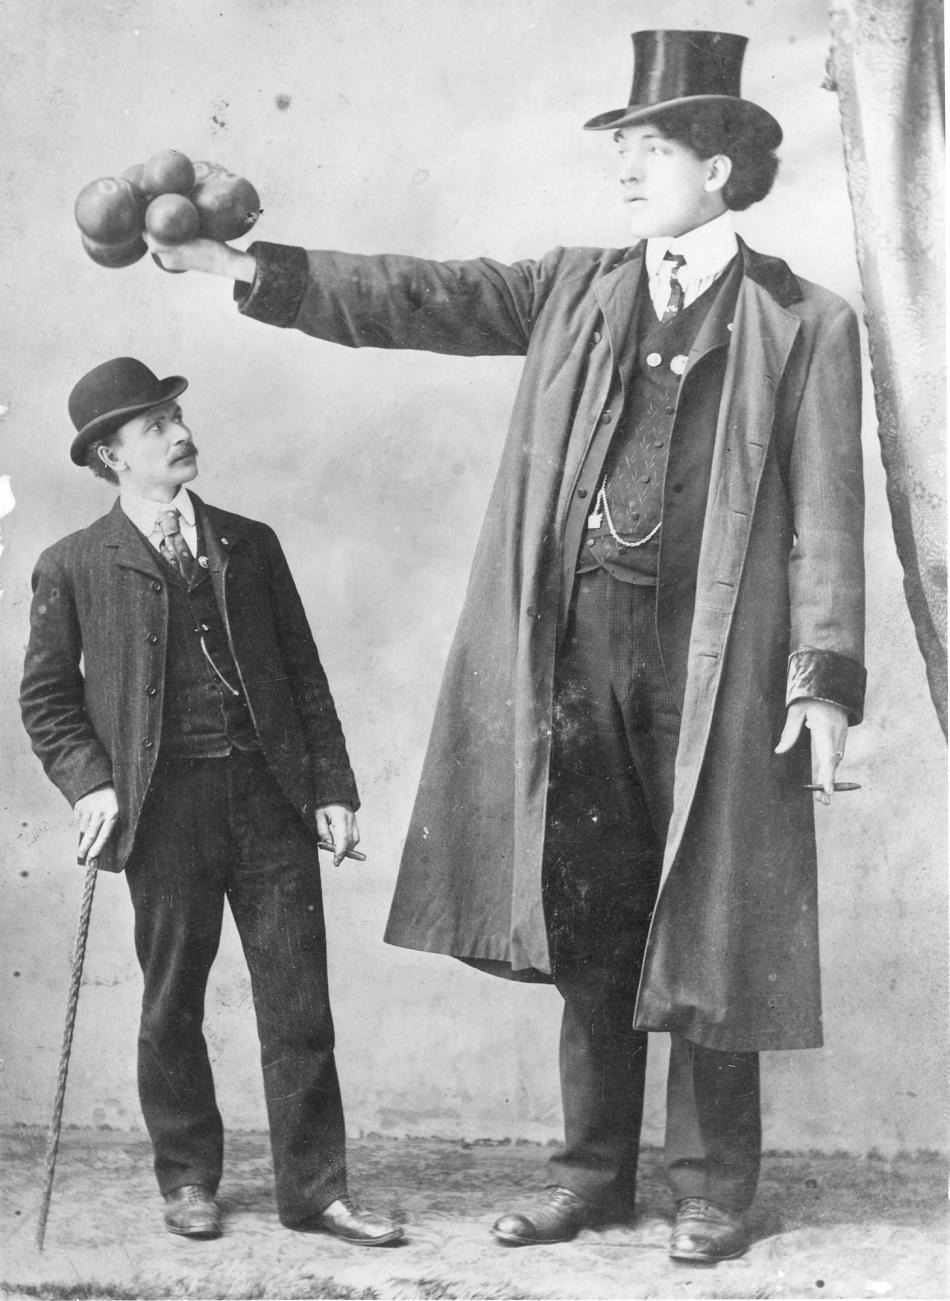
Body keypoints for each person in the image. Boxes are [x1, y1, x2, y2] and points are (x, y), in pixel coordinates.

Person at [145, 29, 865, 1263]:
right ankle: (591, 1175)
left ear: (720, 168)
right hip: (575, 658)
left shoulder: (804, 319)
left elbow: (829, 514)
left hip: (721, 670)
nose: (625, 170)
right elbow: (417, 297)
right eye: (621, 149)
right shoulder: (573, 286)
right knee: (590, 915)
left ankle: (709, 1188)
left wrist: (824, 681)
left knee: (712, 918)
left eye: (651, 149)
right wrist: (238, 264)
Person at [20, 356, 404, 1247]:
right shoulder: (72, 564)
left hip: (270, 802)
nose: (180, 433)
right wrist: (92, 783)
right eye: (154, 425)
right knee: (172, 1002)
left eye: (175, 416)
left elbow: (304, 674)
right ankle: (188, 1178)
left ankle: (317, 1192)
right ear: (111, 457)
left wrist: (332, 789)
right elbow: (47, 701)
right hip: (163, 812)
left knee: (299, 1005)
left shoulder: (250, 542)